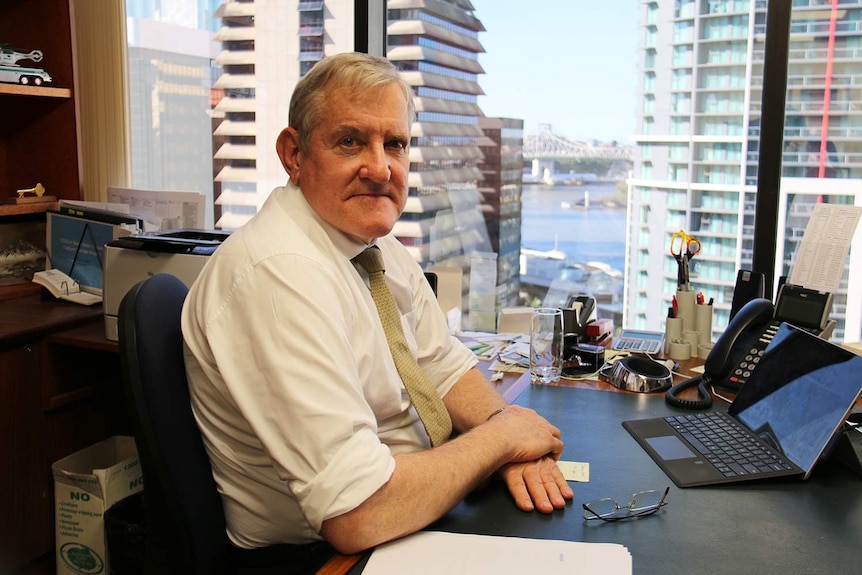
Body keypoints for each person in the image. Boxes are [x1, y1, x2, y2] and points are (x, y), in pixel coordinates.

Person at [181, 52, 573, 573]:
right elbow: (356, 511)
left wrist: (507, 428)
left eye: (395, 144)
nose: (380, 168)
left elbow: (444, 367)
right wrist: (499, 441)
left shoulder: (367, 241)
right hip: (325, 555)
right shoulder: (278, 274)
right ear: (293, 154)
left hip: (410, 508)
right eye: (350, 141)